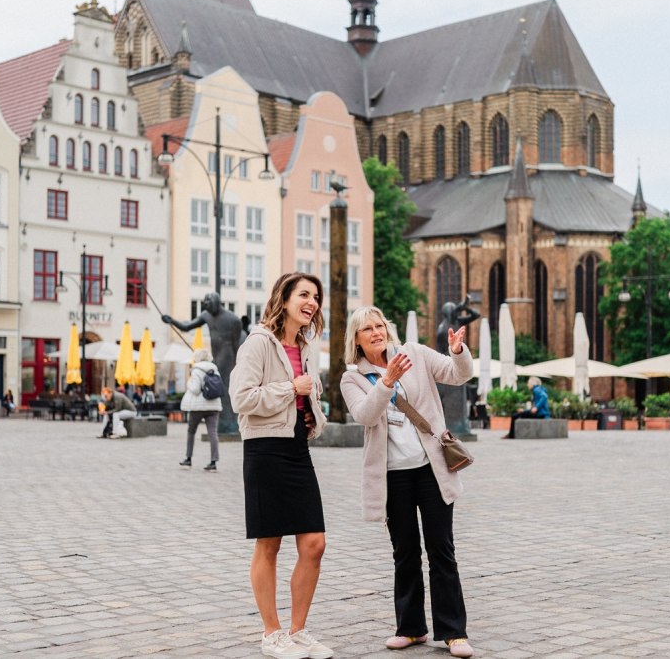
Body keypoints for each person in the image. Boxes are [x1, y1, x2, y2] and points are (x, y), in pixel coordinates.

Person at [340, 306, 477, 658]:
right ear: (356, 339)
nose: (376, 332)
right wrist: (385, 383)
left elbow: (457, 374)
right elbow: (365, 414)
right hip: (392, 476)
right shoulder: (352, 378)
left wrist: (458, 351)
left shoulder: (413, 352)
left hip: (431, 469)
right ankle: (411, 628)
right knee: (405, 552)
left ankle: (454, 632)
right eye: (367, 329)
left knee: (441, 550)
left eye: (379, 325)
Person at [228, 272, 331, 659]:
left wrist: (310, 416)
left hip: (296, 448)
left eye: (316, 297)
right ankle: (272, 633)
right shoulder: (258, 343)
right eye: (304, 294)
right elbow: (241, 398)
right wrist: (291, 390)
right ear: (284, 298)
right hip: (264, 450)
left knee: (314, 543)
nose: (312, 302)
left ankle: (298, 630)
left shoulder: (306, 346)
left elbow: (308, 395)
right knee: (269, 543)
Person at [163, 291, 246, 426]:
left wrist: (237, 361)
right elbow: (187, 326)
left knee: (226, 387)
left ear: (218, 304)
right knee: (220, 388)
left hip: (227, 355)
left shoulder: (233, 320)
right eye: (206, 305)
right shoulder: (206, 315)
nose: (208, 308)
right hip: (217, 355)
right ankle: (223, 421)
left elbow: (237, 343)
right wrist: (171, 321)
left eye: (210, 305)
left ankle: (231, 421)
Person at [179, 348, 222, 472]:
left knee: (191, 432)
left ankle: (188, 459)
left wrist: (188, 383)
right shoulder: (215, 369)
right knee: (213, 433)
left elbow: (196, 389)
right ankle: (213, 462)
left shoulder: (196, 370)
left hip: (198, 406)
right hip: (214, 406)